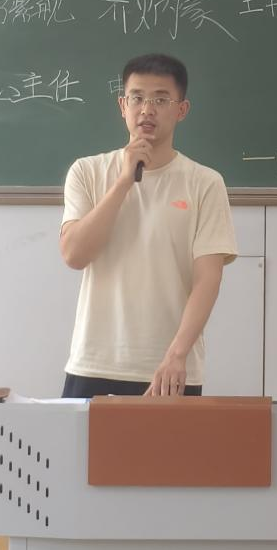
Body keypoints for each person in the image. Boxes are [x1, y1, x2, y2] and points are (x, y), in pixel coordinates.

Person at [59, 53, 237, 397]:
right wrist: (124, 181)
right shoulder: (87, 171)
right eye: (137, 98)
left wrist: (177, 355)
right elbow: (74, 255)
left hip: (170, 370)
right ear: (122, 106)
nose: (147, 109)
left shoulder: (205, 183)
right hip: (94, 363)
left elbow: (208, 279)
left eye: (160, 99)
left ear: (181, 110)